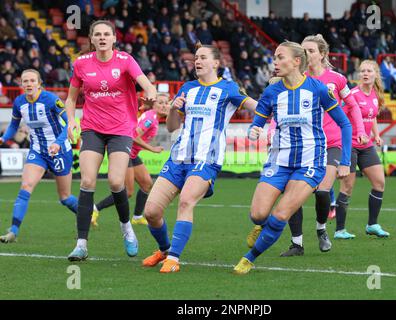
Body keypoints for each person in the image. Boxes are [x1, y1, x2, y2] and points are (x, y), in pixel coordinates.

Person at [233, 41, 352, 275]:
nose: (275, 62)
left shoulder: (318, 89)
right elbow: (257, 123)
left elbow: (344, 123)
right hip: (278, 161)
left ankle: (249, 258)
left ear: (297, 61)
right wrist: (253, 131)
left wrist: (345, 161)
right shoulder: (271, 92)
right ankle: (264, 227)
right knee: (258, 214)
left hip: (310, 162)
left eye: (280, 57)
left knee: (281, 214)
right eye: (274, 58)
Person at [141, 43, 258, 273]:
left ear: (216, 63)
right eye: (196, 57)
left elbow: (255, 107)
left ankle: (173, 259)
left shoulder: (228, 88)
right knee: (151, 212)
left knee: (186, 201)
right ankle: (165, 250)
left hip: (206, 159)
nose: (198, 61)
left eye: (203, 57)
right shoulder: (188, 88)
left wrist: (269, 109)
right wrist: (174, 109)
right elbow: (173, 127)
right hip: (178, 158)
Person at [65, 20, 157, 261]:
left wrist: (151, 94)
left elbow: (146, 84)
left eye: (107, 34)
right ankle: (81, 244)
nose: (103, 37)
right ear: (92, 39)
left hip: (121, 129)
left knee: (117, 183)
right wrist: (71, 120)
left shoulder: (125, 60)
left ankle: (126, 227)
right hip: (92, 128)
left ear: (114, 38)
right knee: (87, 180)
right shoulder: (82, 64)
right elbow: (71, 98)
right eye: (98, 34)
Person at [0, 69, 78, 243]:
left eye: (32, 81)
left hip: (60, 150)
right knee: (26, 186)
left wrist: (58, 142)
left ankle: (87, 213)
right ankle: (13, 231)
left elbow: (69, 123)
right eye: (25, 81)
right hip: (38, 151)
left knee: (65, 197)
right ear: (21, 84)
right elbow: (13, 126)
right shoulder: (19, 102)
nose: (28, 84)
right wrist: (3, 138)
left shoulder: (51, 100)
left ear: (39, 83)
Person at [91, 93, 169, 227]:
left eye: (166, 103)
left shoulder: (152, 116)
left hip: (132, 153)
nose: (164, 105)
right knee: (127, 191)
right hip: (124, 152)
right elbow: (133, 135)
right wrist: (152, 149)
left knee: (146, 184)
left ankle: (138, 217)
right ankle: (95, 209)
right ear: (154, 105)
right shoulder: (150, 118)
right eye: (160, 103)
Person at [335, 60, 389, 238]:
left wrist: (377, 134)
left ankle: (372, 225)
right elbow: (340, 116)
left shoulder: (375, 94)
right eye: (362, 71)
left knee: (379, 183)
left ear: (375, 74)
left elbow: (372, 116)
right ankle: (340, 230)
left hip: (366, 145)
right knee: (347, 187)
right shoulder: (353, 94)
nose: (365, 74)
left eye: (369, 71)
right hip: (350, 145)